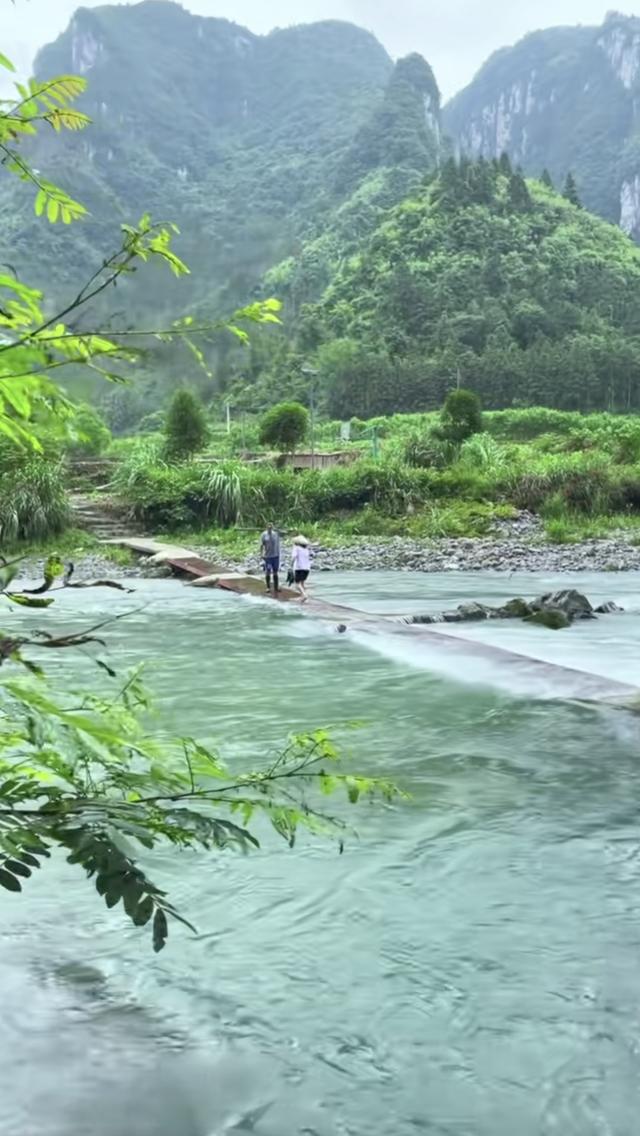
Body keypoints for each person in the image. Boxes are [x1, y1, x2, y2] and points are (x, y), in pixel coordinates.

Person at [260, 523, 281, 593]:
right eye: (268, 527)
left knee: (275, 571)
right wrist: (261, 554)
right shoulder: (264, 535)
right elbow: (261, 545)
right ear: (266, 528)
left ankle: (276, 587)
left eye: (270, 527)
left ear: (272, 528)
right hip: (268, 557)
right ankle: (268, 587)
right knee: (268, 571)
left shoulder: (275, 534)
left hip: (275, 556)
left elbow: (278, 544)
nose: (269, 529)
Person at [291, 534, 311, 602]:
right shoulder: (306, 549)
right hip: (307, 568)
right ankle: (302, 596)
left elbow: (294, 557)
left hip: (299, 568)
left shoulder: (296, 548)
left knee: (297, 584)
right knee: (302, 583)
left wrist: (291, 565)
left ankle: (304, 595)